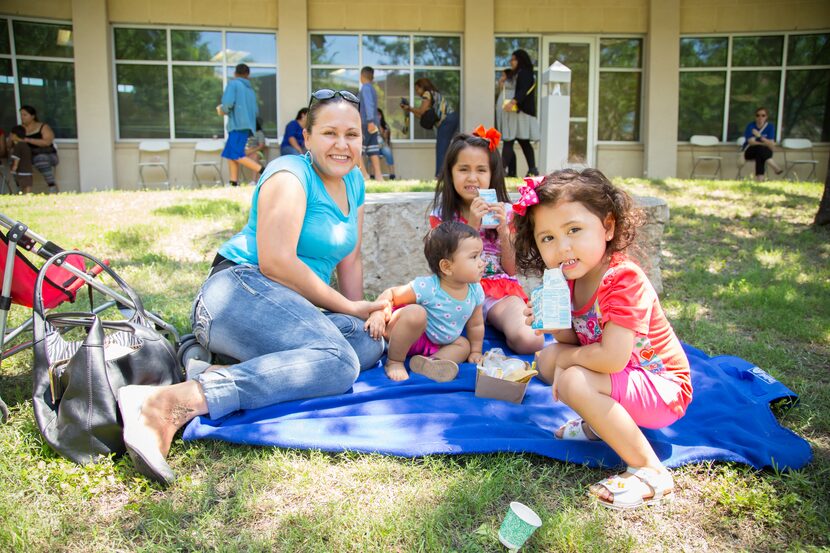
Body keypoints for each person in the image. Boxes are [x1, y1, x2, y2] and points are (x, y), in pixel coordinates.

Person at [117, 89, 387, 486]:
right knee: (339, 361)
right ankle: (170, 402)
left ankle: (210, 358)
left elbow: (352, 258)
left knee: (368, 342)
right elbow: (277, 264)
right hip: (238, 289)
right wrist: (351, 306)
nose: (343, 145)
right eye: (330, 133)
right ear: (307, 137)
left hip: (293, 308)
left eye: (353, 134)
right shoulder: (289, 173)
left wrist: (359, 310)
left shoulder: (355, 183)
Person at [512, 168, 693, 510]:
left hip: (663, 387)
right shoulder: (568, 279)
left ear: (608, 226)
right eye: (547, 238)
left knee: (572, 378)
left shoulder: (623, 278)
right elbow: (576, 338)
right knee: (546, 360)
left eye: (574, 230)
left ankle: (649, 469)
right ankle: (600, 423)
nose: (563, 247)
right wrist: (552, 325)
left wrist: (567, 363)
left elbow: (612, 358)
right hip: (624, 378)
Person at [429, 129, 544, 355]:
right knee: (419, 326)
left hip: (496, 293)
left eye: (481, 170)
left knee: (530, 340)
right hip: (454, 293)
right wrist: (472, 226)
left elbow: (512, 269)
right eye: (463, 169)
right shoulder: (442, 215)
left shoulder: (507, 213)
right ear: (450, 173)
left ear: (493, 174)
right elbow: (443, 268)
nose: (472, 178)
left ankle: (499, 333)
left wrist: (503, 231)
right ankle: (444, 355)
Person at [365, 221, 486, 382]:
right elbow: (392, 294)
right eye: (474, 257)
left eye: (481, 255)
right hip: (406, 336)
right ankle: (394, 361)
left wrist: (475, 351)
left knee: (463, 345)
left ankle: (431, 364)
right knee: (416, 313)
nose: (482, 262)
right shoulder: (429, 287)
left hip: (436, 344)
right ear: (447, 267)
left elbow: (476, 325)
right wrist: (378, 314)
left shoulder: (475, 290)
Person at [402, 78, 460, 178]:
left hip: (447, 120)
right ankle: (447, 174)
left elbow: (421, 111)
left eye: (417, 89)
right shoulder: (434, 94)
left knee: (441, 148)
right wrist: (410, 109)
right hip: (452, 118)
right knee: (445, 148)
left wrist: (409, 108)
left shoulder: (427, 94)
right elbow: (422, 115)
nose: (417, 92)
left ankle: (440, 175)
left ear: (422, 87)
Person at [217, 63, 263, 187]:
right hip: (248, 126)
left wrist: (222, 109)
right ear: (248, 75)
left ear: (235, 73)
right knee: (230, 153)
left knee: (236, 154)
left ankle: (264, 171)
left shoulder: (233, 84)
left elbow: (227, 104)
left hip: (237, 125)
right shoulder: (250, 90)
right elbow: (256, 111)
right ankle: (233, 183)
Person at [501, 50, 539, 178]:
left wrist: (513, 102)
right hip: (516, 113)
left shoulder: (525, 73)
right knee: (521, 141)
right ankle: (532, 170)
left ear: (520, 60)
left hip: (520, 112)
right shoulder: (518, 74)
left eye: (513, 59)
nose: (511, 62)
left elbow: (523, 91)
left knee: (511, 140)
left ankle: (501, 170)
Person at [19, 105, 59, 193]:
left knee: (40, 158)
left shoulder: (43, 127)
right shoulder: (19, 129)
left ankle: (52, 186)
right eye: (21, 115)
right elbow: (10, 144)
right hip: (28, 156)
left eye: (25, 115)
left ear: (32, 116)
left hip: (47, 154)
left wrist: (28, 139)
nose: (22, 117)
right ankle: (21, 189)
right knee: (15, 160)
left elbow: (47, 142)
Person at [742, 107, 783, 181]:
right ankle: (774, 166)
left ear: (766, 117)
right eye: (758, 115)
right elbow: (751, 142)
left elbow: (771, 144)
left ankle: (760, 179)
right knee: (760, 149)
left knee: (760, 154)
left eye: (763, 115)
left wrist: (759, 136)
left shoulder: (770, 127)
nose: (760, 117)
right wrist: (765, 143)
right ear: (755, 117)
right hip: (749, 151)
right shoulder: (751, 126)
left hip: (764, 152)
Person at [358, 66, 384, 181]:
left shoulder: (365, 88)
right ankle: (379, 176)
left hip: (366, 123)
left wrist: (369, 121)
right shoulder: (372, 88)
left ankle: (364, 175)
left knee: (358, 149)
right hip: (373, 124)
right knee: (373, 149)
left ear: (362, 76)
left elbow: (368, 105)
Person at [495, 69, 516, 178]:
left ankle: (503, 169)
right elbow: (499, 88)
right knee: (508, 141)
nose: (502, 76)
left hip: (509, 111)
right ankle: (512, 171)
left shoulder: (513, 81)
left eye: (504, 74)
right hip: (502, 110)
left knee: (509, 140)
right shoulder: (503, 82)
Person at [9, 126, 33, 194]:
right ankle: (28, 195)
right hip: (28, 170)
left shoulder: (18, 146)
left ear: (15, 135)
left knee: (22, 185)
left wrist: (14, 167)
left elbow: (17, 158)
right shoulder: (26, 145)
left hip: (22, 170)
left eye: (11, 135)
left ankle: (24, 195)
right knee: (28, 184)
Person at [377, 108, 396, 179]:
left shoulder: (385, 125)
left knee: (388, 152)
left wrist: (380, 127)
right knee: (372, 153)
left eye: (379, 115)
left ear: (381, 116)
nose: (377, 116)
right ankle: (372, 174)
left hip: (383, 145)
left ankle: (392, 174)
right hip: (374, 145)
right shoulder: (370, 125)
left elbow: (385, 137)